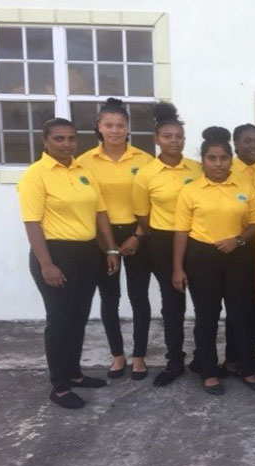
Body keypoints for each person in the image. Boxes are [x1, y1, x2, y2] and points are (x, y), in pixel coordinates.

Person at [18, 118, 120, 409]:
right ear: (45, 141)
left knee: (79, 316)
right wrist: (46, 264)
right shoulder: (36, 175)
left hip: (88, 253)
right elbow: (32, 222)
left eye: (71, 139)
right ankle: (59, 386)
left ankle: (74, 373)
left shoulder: (83, 169)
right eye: (59, 139)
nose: (66, 144)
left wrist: (110, 250)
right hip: (55, 253)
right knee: (60, 320)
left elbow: (100, 213)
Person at [172, 127, 255, 396]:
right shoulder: (190, 191)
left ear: (230, 159)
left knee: (241, 316)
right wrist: (178, 268)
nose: (218, 163)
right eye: (211, 158)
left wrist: (237, 240)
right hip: (202, 258)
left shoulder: (244, 187)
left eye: (223, 158)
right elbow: (181, 232)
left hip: (238, 257)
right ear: (202, 160)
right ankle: (209, 371)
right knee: (207, 317)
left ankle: (245, 368)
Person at [77, 97, 152, 380]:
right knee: (110, 297)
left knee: (138, 296)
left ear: (128, 128)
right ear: (99, 127)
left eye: (120, 125)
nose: (115, 130)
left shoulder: (145, 160)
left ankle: (139, 356)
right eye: (108, 125)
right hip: (102, 237)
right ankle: (117, 354)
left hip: (137, 234)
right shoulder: (84, 162)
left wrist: (138, 236)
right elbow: (88, 206)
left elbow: (151, 205)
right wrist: (108, 246)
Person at [132, 102, 203, 387]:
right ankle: (175, 360)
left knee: (203, 302)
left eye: (179, 136)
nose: (174, 141)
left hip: (198, 241)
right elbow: (142, 213)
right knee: (172, 303)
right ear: (156, 139)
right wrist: (164, 234)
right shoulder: (146, 174)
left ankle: (202, 357)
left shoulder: (198, 169)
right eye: (168, 136)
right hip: (162, 242)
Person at [221, 123, 255, 376]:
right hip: (240, 242)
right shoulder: (229, 170)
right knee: (237, 304)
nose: (253, 146)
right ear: (236, 143)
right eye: (247, 141)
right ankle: (233, 357)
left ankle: (250, 351)